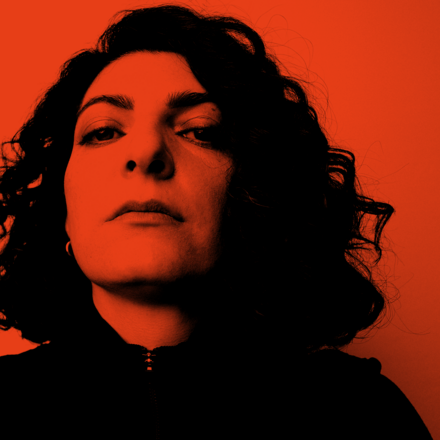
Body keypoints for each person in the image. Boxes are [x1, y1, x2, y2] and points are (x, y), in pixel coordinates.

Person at [0, 5, 432, 439]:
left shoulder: (362, 411)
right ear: (62, 210)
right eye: (103, 131)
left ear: (252, 192)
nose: (147, 151)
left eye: (200, 131)